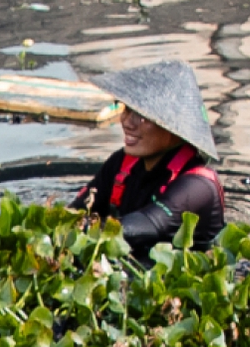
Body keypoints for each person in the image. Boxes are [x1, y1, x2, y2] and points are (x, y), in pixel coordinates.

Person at [76, 59, 227, 257]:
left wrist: (83, 229)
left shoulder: (198, 186)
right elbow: (76, 211)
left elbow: (150, 224)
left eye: (141, 115)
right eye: (126, 109)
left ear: (174, 126)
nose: (127, 122)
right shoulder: (121, 164)